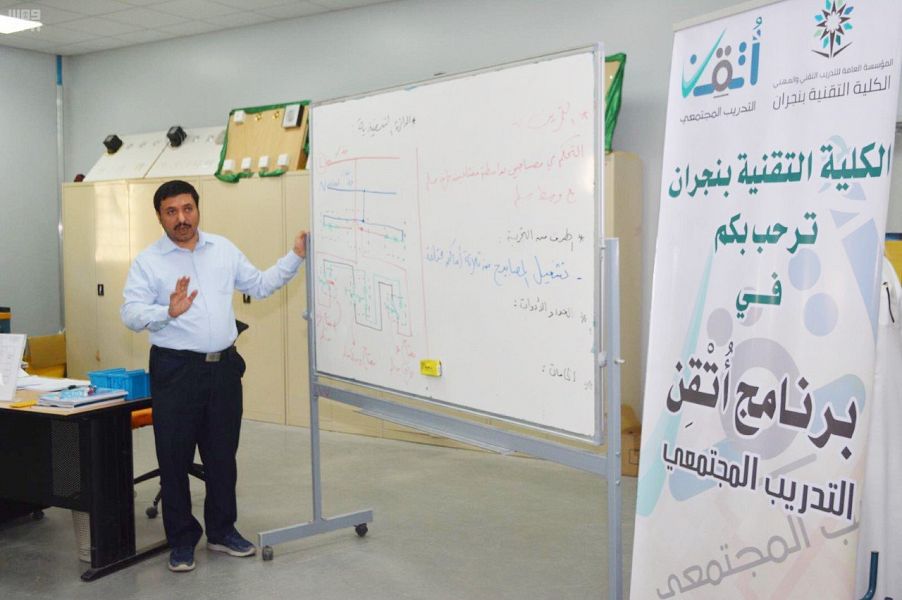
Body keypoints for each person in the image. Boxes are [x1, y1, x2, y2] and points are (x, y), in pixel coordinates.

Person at [121, 179, 307, 572]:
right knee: (174, 458)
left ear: (197, 209)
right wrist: (167, 311)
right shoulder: (149, 261)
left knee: (222, 456)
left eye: (187, 208)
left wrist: (295, 256)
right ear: (160, 217)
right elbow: (131, 314)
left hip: (222, 369)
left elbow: (260, 284)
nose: (181, 218)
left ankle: (222, 531)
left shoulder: (222, 249)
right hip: (175, 371)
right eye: (171, 212)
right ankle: (182, 540)